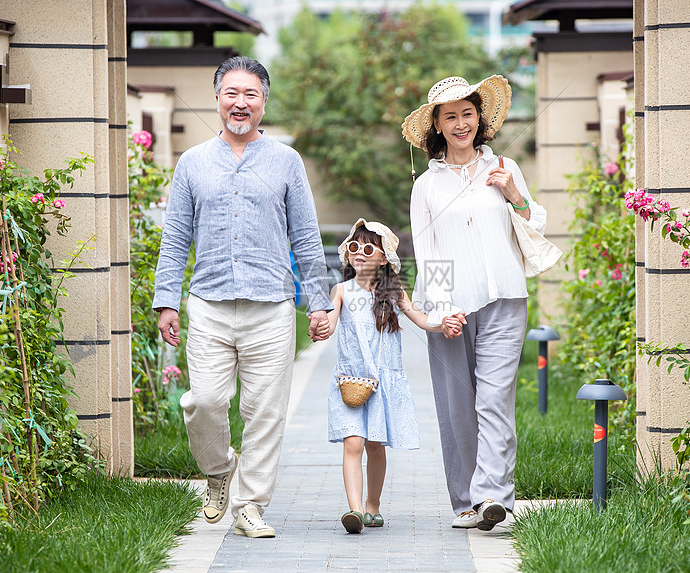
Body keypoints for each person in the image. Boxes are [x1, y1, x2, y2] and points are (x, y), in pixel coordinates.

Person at [153, 56, 332, 539]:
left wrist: (319, 302)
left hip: (271, 307)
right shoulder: (192, 163)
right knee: (204, 402)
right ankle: (218, 470)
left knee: (265, 412)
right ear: (217, 99)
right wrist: (166, 299)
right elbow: (174, 239)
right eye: (232, 93)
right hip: (209, 305)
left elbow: (307, 238)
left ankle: (250, 505)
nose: (240, 103)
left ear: (264, 102)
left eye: (250, 94)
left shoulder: (286, 162)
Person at [401, 75, 547, 531]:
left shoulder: (503, 167)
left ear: (479, 118)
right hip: (452, 310)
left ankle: (492, 497)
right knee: (457, 404)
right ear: (438, 126)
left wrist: (513, 194)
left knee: (494, 399)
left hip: (504, 298)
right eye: (451, 117)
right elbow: (427, 252)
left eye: (468, 114)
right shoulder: (426, 185)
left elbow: (534, 223)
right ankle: (465, 499)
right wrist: (440, 311)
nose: (462, 123)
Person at [314, 219, 462, 534]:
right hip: (351, 380)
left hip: (381, 382)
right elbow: (330, 323)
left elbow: (421, 319)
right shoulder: (340, 290)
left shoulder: (393, 293)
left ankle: (373, 506)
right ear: (347, 255)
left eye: (369, 248)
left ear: (384, 258)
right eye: (354, 247)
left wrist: (443, 323)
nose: (360, 253)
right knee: (352, 442)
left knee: (375, 445)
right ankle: (354, 510)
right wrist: (321, 327)